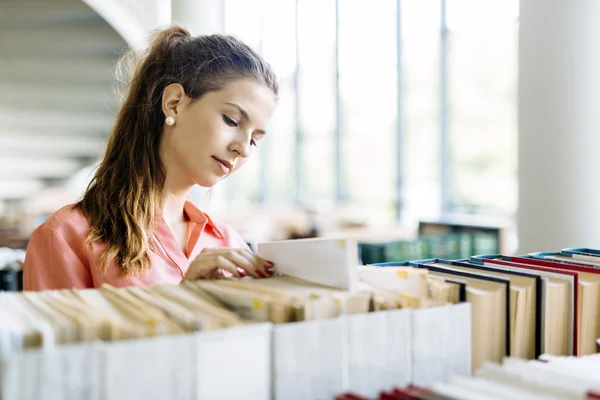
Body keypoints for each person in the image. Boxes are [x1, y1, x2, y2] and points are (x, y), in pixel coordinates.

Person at [23, 25, 279, 291]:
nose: (244, 149)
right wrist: (183, 298)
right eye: (231, 120)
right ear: (174, 103)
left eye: (254, 140)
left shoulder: (229, 244)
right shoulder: (66, 236)